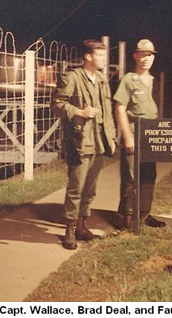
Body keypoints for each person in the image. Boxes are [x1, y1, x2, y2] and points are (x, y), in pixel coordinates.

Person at [51, 39, 117, 249]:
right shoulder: (72, 77)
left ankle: (82, 226)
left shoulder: (101, 79)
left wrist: (112, 138)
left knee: (90, 188)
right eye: (101, 56)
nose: (104, 60)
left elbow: (107, 113)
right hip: (81, 141)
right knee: (76, 187)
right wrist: (79, 112)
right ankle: (69, 230)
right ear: (88, 56)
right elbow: (57, 104)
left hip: (99, 142)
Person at [114, 39, 166, 230]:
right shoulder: (129, 79)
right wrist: (127, 136)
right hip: (134, 133)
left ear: (153, 58)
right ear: (135, 56)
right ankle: (127, 216)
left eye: (149, 55)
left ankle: (143, 214)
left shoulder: (155, 80)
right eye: (142, 55)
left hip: (151, 136)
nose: (146, 59)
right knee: (131, 177)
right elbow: (119, 108)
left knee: (148, 176)